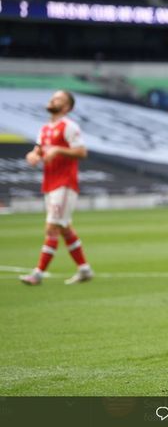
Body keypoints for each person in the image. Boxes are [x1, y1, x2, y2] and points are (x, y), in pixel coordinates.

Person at [20, 90, 95, 285]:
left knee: (52, 227)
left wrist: (58, 149)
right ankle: (84, 269)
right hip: (50, 182)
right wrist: (33, 155)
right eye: (52, 98)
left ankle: (37, 274)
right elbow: (39, 149)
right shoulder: (44, 129)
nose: (53, 100)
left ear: (67, 107)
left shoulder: (69, 127)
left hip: (65, 183)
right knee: (64, 228)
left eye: (58, 99)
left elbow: (82, 151)